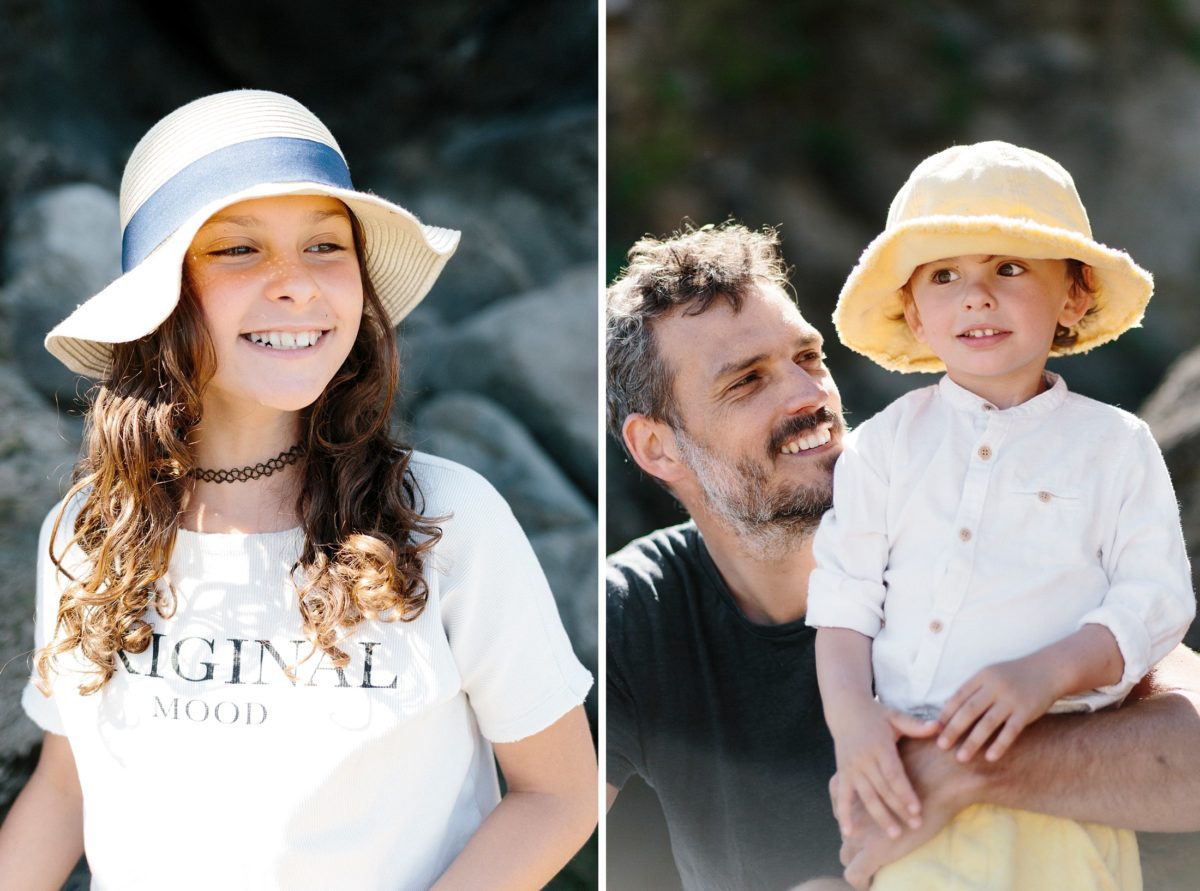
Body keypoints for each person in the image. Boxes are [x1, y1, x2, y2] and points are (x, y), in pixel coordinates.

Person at [0, 89, 596, 890]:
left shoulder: (448, 521)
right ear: (159, 299)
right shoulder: (85, 533)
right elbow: (65, 788)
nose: (295, 283)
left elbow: (559, 792)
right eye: (239, 250)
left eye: (324, 246)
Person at [605, 221, 1200, 890]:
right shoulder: (633, 613)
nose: (809, 397)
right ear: (657, 447)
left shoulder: (988, 526)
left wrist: (966, 771)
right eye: (746, 382)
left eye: (808, 358)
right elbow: (551, 807)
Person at [807, 141, 1194, 890]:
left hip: (1065, 788)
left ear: (1074, 296)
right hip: (908, 788)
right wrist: (854, 725)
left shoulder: (1116, 443)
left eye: (1009, 268)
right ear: (913, 311)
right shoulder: (884, 447)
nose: (976, 295)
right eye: (945, 275)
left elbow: (1154, 599)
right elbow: (845, 602)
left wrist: (1046, 672)